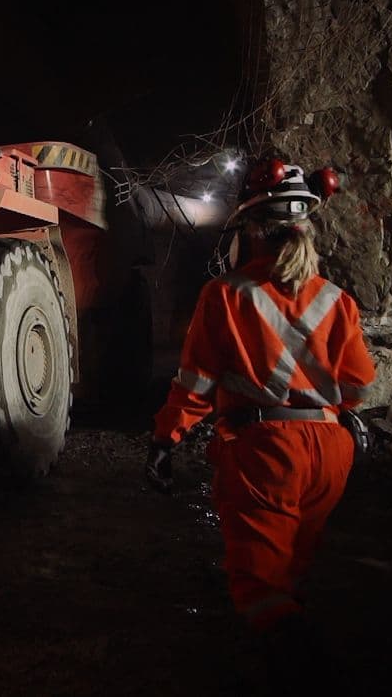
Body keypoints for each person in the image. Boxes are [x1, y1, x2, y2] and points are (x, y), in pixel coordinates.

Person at [146, 159, 376, 687]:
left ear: (252, 230)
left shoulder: (225, 295)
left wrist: (165, 438)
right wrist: (341, 416)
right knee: (292, 571)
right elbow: (359, 385)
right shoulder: (337, 300)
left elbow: (196, 385)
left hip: (264, 455)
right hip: (330, 453)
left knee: (260, 590)